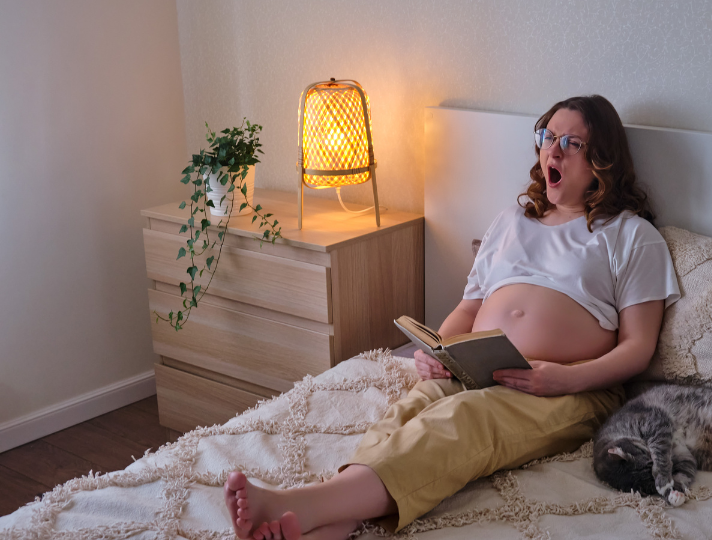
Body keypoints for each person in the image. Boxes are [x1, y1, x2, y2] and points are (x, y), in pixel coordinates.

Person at [222, 95, 681, 540]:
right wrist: (435, 349)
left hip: (571, 386)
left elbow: (638, 348)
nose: (552, 150)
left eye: (571, 143)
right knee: (406, 412)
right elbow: (469, 307)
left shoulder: (630, 235)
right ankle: (337, 522)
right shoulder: (512, 220)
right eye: (547, 136)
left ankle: (300, 505)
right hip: (477, 365)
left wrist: (561, 379)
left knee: (462, 418)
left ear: (602, 160)